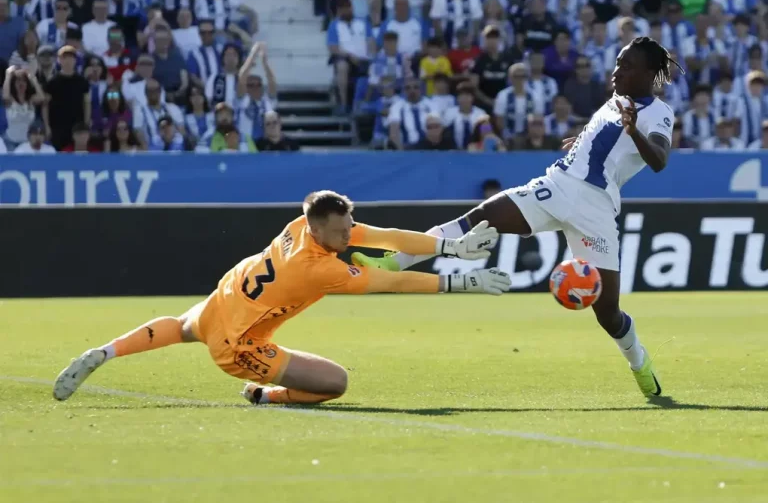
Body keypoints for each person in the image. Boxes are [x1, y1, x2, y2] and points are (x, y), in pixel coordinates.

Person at [353, 37, 681, 399]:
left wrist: (633, 130)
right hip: (557, 185)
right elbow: (605, 140)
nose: (617, 71)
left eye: (628, 66)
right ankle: (394, 262)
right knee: (480, 217)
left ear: (650, 74)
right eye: (618, 62)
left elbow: (660, 160)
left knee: (609, 315)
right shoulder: (616, 98)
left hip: (596, 209)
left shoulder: (658, 113)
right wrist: (584, 142)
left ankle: (640, 362)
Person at [52, 190, 511, 405]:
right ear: (316, 229)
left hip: (226, 296)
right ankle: (264, 396)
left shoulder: (303, 227)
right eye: (341, 231)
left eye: (349, 225)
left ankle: (105, 351)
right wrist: (458, 282)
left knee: (182, 326)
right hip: (240, 342)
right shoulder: (320, 269)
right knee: (335, 384)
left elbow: (386, 237)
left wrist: (451, 246)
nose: (349, 234)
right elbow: (390, 281)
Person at [44, 46, 90, 150]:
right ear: (59, 60)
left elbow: (86, 103)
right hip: (57, 126)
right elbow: (45, 105)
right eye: (64, 58)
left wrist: (86, 123)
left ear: (75, 60)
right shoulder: (52, 82)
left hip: (77, 126)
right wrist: (47, 126)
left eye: (71, 58)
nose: (68, 61)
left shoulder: (82, 81)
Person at [3, 66, 45, 151]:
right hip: (10, 142)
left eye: (23, 81)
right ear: (13, 84)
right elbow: (5, 96)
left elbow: (42, 97)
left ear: (27, 84)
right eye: (18, 81)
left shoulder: (31, 100)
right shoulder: (10, 100)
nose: (21, 83)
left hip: (28, 143)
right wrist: (8, 75)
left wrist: (32, 78)